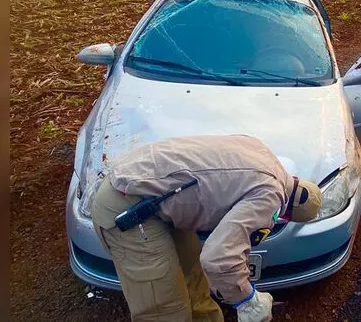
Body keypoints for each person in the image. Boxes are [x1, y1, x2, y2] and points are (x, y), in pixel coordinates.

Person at [91, 135, 322, 322]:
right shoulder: (271, 196)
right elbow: (219, 259)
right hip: (127, 204)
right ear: (287, 214)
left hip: (156, 194)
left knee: (193, 279)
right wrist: (248, 301)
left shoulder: (263, 152)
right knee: (165, 308)